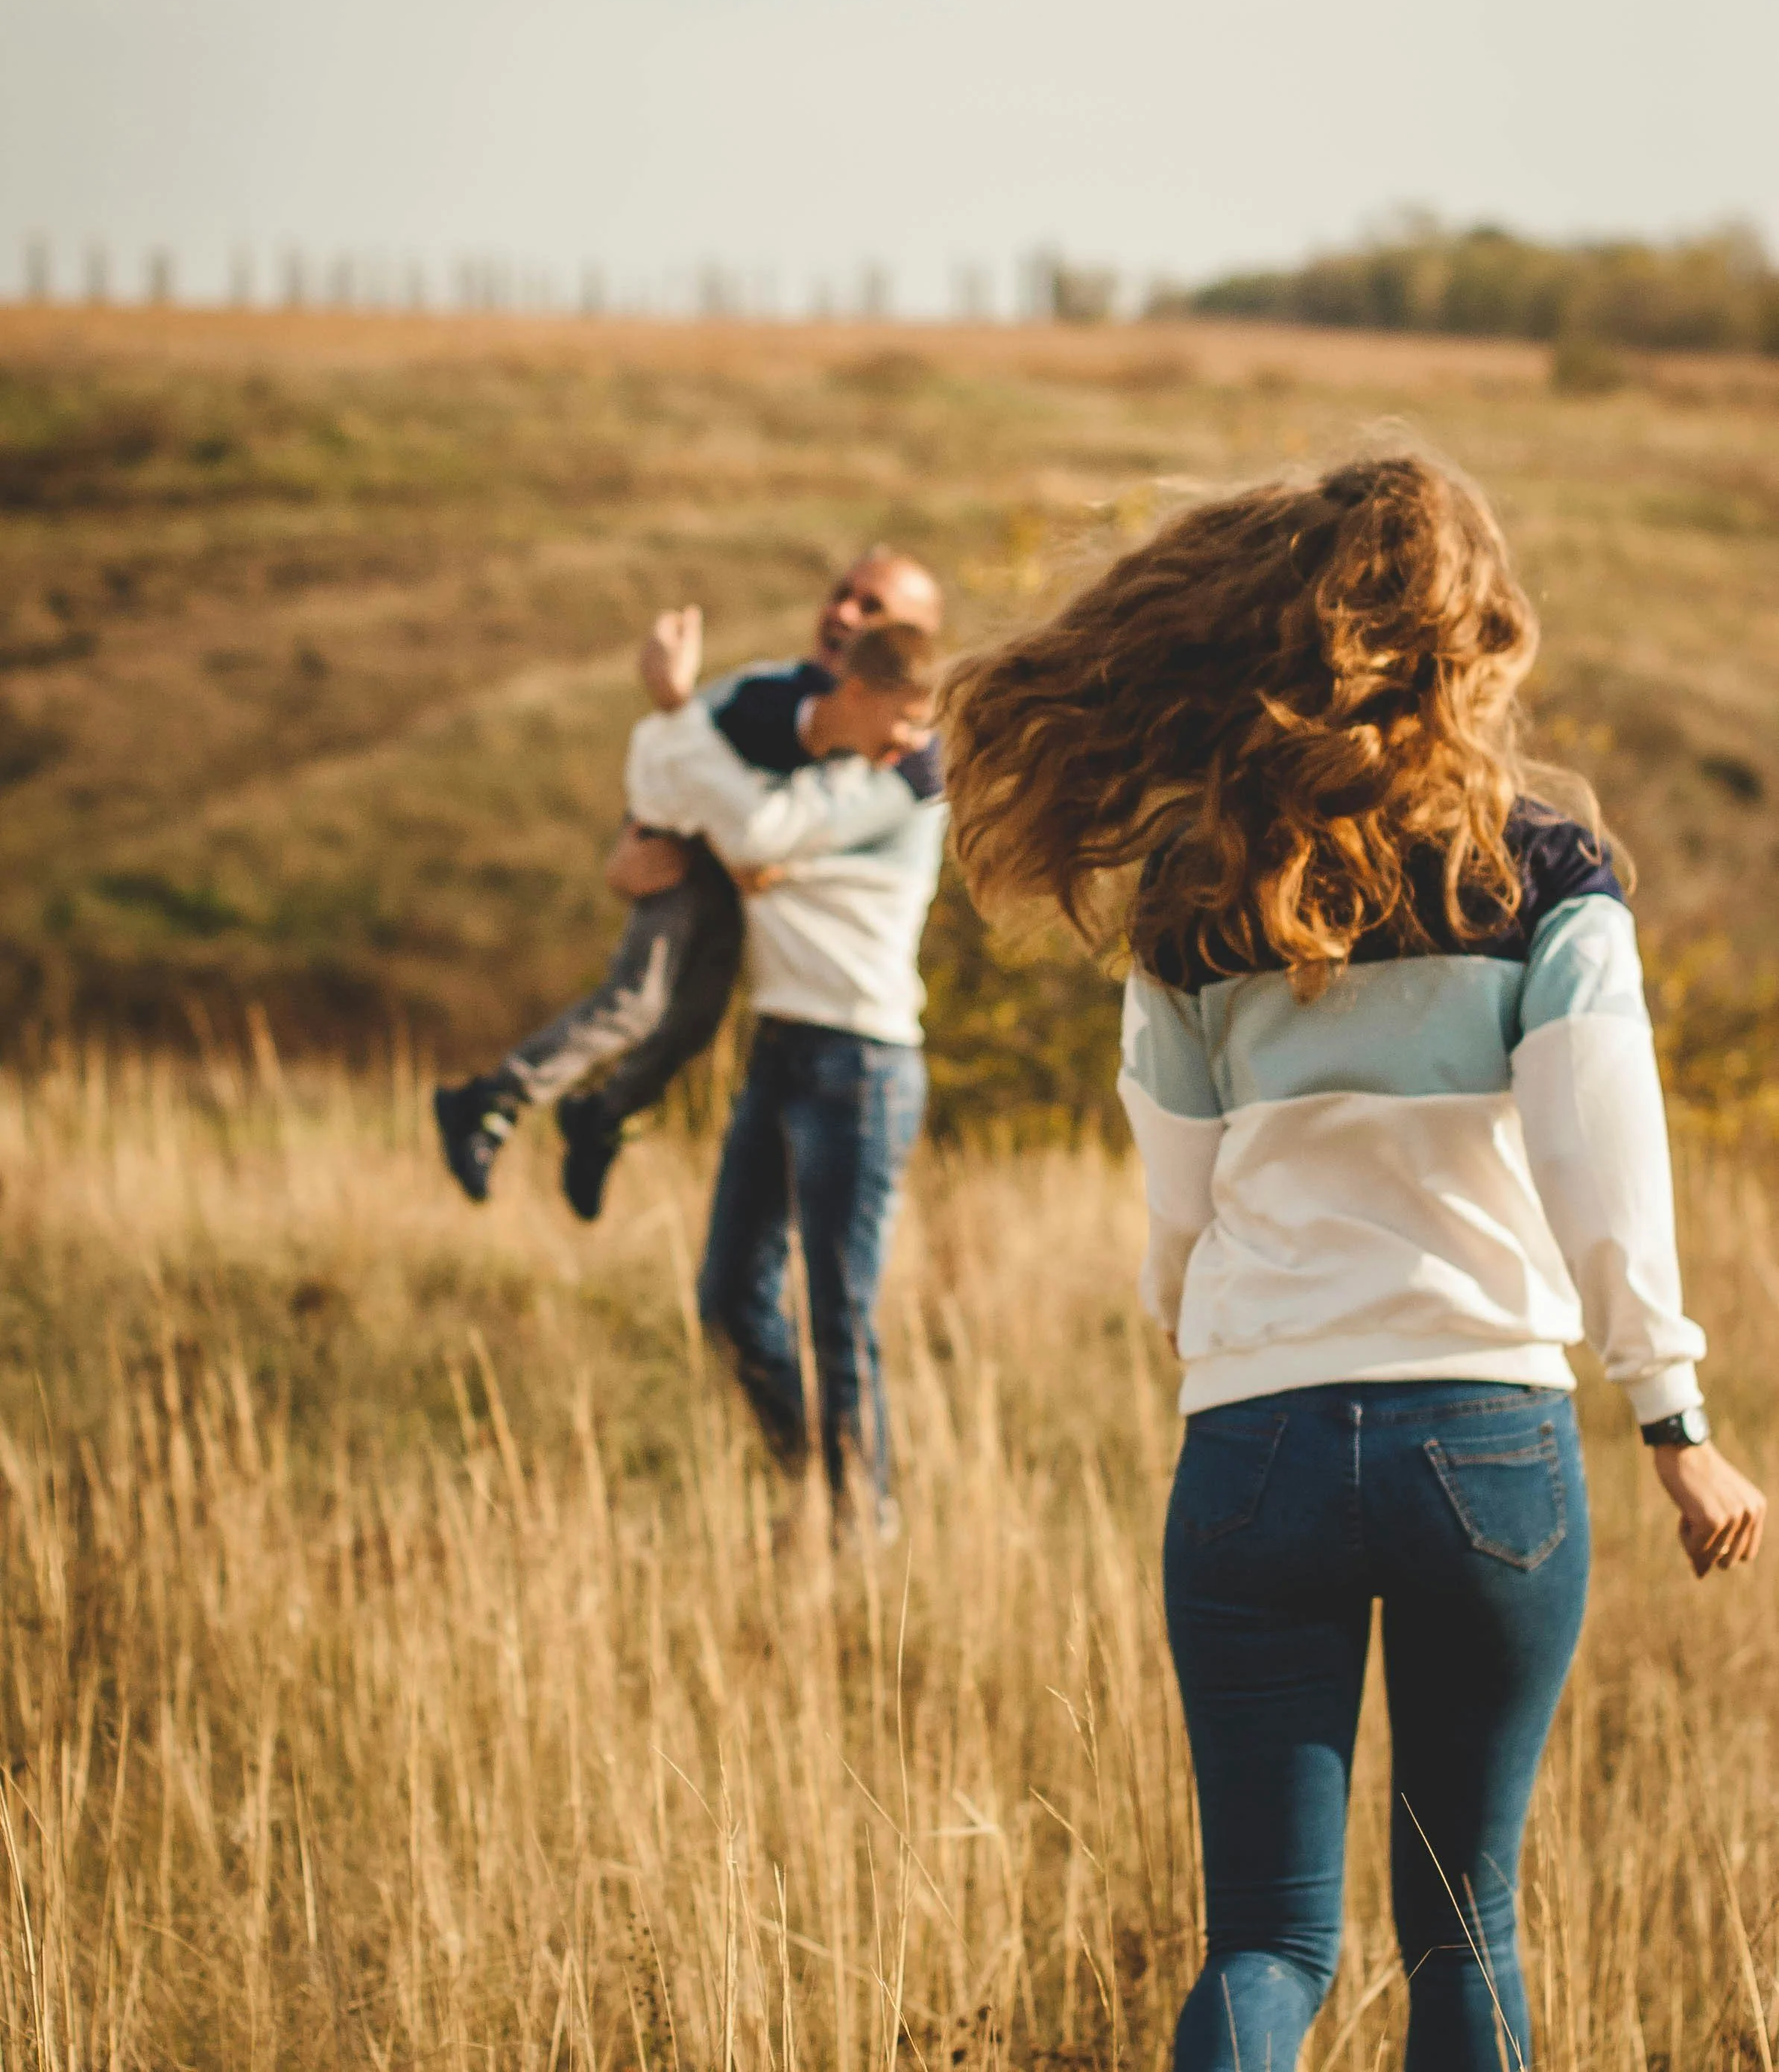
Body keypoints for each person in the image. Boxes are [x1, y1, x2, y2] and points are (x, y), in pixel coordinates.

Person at [940, 452, 1764, 2071]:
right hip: (1484, 1443)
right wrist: (1672, 1422)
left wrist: (1214, 1344)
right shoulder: (1544, 885)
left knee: (1263, 1937)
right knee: (1465, 1930)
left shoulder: (1197, 899)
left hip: (1252, 1445)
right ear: (1476, 644)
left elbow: (1172, 1211)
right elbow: (1601, 1162)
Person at [433, 546, 942, 1216]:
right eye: (839, 593)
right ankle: (491, 1105)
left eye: (870, 606)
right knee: (639, 1003)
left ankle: (600, 1118)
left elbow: (781, 834)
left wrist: (754, 853)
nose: (842, 612)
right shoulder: (761, 691)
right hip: (695, 881)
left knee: (692, 1022)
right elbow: (672, 747)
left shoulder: (909, 761)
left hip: (835, 1007)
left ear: (910, 644)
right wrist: (634, 836)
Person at [625, 615, 947, 1532]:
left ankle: (863, 1519)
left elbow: (757, 832)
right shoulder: (822, 770)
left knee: (837, 1313)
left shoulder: (904, 788)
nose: (912, 744)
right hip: (782, 1052)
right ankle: (817, 1479)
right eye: (898, 722)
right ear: (852, 694)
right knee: (728, 1298)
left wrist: (681, 711)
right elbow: (721, 816)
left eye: (919, 727)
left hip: (862, 1065)